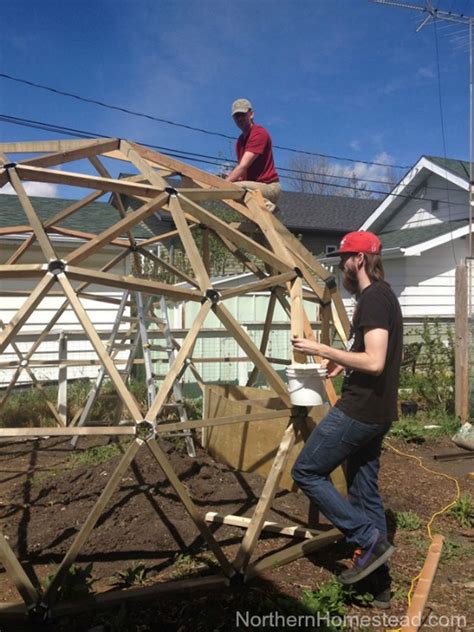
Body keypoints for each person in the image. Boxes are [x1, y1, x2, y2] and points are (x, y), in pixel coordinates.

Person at [291, 230, 403, 608]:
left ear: (359, 260)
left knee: (306, 471)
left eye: (344, 259)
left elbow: (374, 362)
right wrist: (341, 361)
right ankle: (380, 586)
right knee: (364, 491)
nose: (341, 266)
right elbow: (366, 352)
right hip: (378, 412)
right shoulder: (382, 296)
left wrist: (322, 347)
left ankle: (364, 537)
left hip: (359, 411)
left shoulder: (372, 300)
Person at [225, 98, 281, 211]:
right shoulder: (240, 142)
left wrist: (223, 183)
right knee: (232, 190)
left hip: (269, 187)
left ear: (251, 114)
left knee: (232, 187)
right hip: (253, 187)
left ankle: (270, 209)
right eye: (237, 116)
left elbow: (243, 166)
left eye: (243, 114)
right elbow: (243, 173)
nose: (240, 118)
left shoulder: (258, 133)